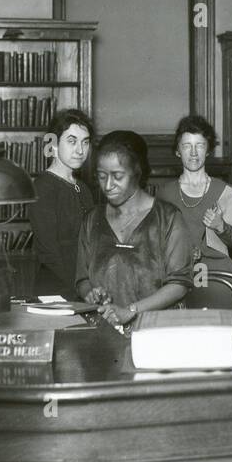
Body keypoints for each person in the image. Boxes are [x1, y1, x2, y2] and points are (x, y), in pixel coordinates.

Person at [76, 130, 192, 330]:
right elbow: (82, 279)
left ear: (137, 173)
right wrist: (90, 292)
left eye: (117, 176)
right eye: (102, 176)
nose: (108, 185)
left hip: (157, 332)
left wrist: (129, 311)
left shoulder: (168, 218)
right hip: (104, 330)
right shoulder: (91, 220)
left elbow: (179, 286)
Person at [155, 115, 232, 308]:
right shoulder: (165, 193)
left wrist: (221, 226)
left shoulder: (222, 189)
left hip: (221, 280)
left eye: (199, 145)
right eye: (186, 146)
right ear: (177, 151)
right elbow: (154, 245)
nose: (193, 152)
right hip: (179, 278)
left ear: (208, 150)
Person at [28, 108, 96, 296]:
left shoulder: (84, 188)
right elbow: (50, 253)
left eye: (85, 142)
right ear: (54, 144)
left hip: (86, 288)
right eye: (72, 141)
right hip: (56, 292)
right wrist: (83, 289)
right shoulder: (42, 188)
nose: (80, 150)